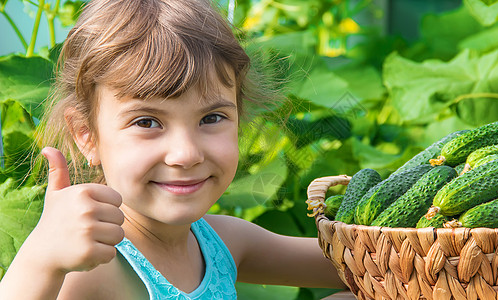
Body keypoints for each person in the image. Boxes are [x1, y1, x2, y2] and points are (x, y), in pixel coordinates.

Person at [0, 0, 348, 298]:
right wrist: (39, 262)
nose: (185, 154)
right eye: (147, 122)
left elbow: (372, 266)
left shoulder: (222, 242)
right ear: (87, 136)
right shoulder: (92, 268)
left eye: (211, 118)